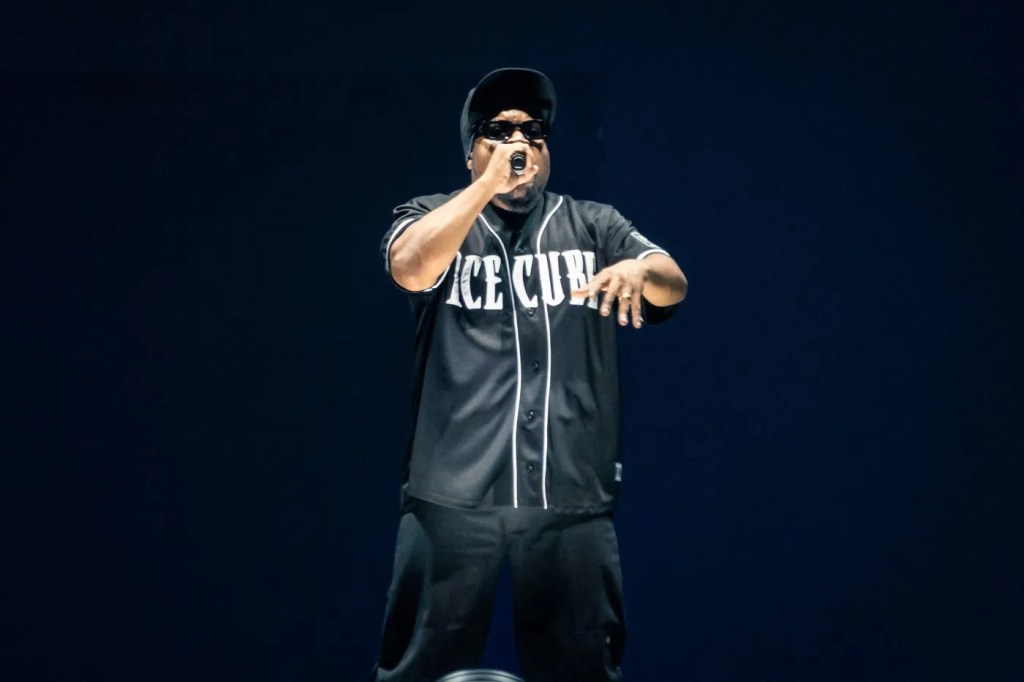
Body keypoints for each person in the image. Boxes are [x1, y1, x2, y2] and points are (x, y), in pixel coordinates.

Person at [373, 67, 687, 682]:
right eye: (499, 130)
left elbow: (672, 283)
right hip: (452, 494)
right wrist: (487, 185)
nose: (521, 142)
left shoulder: (593, 223)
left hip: (570, 493)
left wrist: (641, 271)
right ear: (471, 150)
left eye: (534, 131)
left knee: (583, 670)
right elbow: (410, 267)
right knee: (417, 668)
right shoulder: (432, 214)